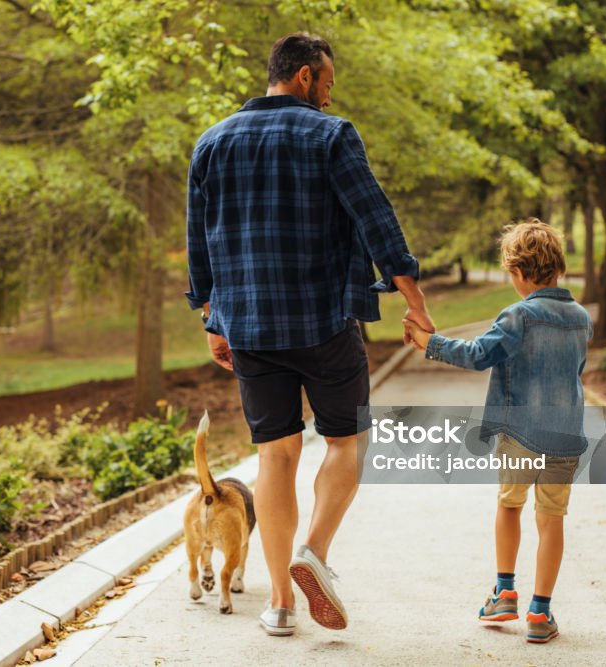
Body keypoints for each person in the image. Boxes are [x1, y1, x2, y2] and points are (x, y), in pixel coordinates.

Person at [185, 32, 434, 636]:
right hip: (324, 320)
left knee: (276, 455)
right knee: (347, 442)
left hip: (247, 326)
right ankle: (313, 553)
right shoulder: (332, 135)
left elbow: (200, 240)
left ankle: (279, 606)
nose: (329, 96)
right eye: (326, 83)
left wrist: (210, 317)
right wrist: (416, 302)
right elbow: (377, 220)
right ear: (303, 76)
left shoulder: (212, 142)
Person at [404, 219, 592, 644]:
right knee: (552, 520)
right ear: (558, 267)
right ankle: (540, 614)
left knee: (510, 505)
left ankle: (505, 591)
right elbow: (575, 373)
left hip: (519, 435)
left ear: (519, 273)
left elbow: (477, 355)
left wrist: (429, 342)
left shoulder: (519, 315)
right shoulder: (581, 317)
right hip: (566, 438)